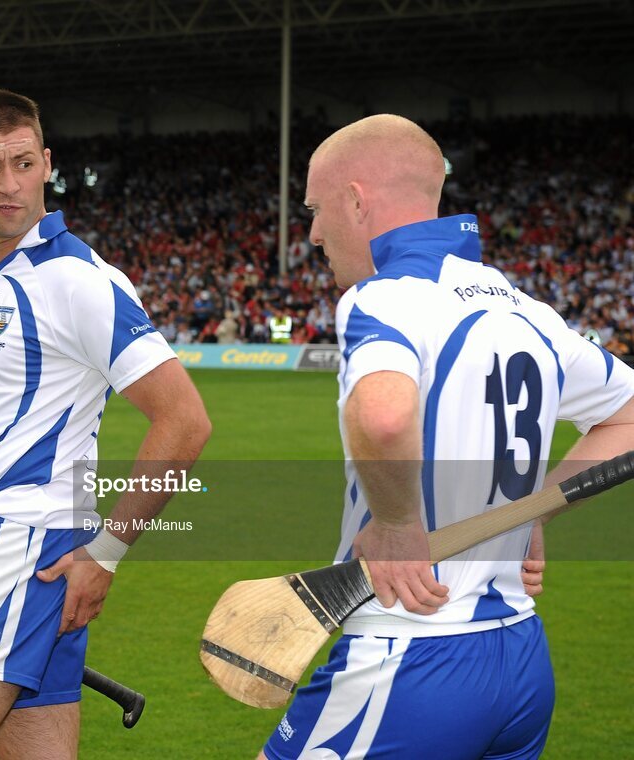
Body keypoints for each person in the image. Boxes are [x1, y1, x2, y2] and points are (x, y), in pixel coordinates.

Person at [261, 114, 634, 760]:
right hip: (519, 659)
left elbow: (382, 415)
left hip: (409, 655)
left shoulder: (384, 297)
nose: (314, 233)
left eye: (316, 210)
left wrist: (397, 519)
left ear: (356, 200)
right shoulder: (527, 311)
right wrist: (530, 508)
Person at [0, 90, 211, 759]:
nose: (9, 185)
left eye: (23, 163)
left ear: (47, 164)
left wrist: (107, 553)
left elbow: (184, 420)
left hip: (20, 546)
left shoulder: (77, 280)